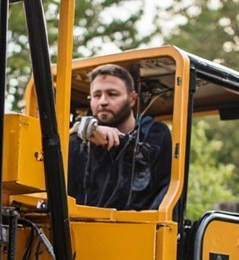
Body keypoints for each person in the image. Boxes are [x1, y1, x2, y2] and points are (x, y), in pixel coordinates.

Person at [67, 64, 172, 211]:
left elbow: (146, 163)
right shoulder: (77, 141)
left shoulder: (154, 134)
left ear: (132, 98)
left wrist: (118, 142)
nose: (103, 101)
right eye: (97, 95)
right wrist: (81, 130)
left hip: (138, 229)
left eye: (112, 94)